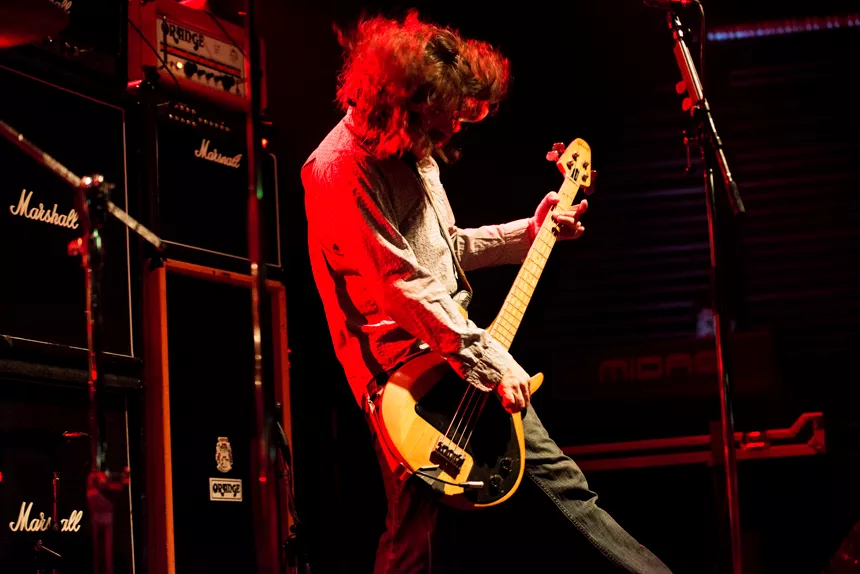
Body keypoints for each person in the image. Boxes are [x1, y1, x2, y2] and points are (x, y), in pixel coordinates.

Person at [301, 11, 672, 574]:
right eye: (440, 124)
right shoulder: (338, 169)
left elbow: (444, 248)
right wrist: (492, 362)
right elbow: (402, 284)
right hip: (405, 383)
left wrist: (530, 232)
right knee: (417, 543)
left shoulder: (413, 144)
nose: (449, 135)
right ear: (404, 103)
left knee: (561, 490)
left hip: (458, 353)